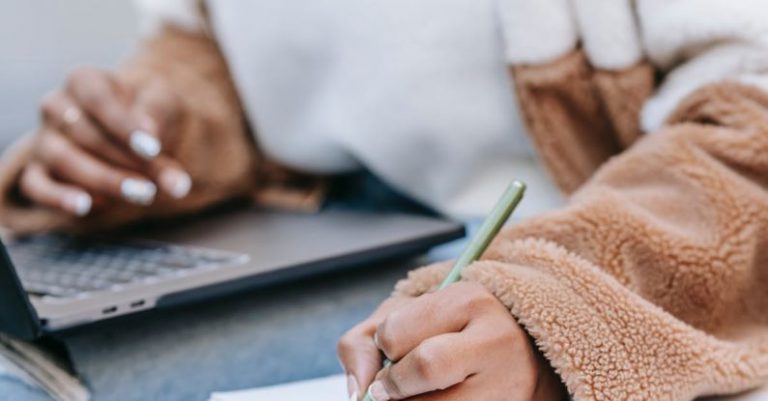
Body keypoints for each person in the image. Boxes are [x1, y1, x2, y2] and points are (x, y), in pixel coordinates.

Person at [2, 0, 768, 400]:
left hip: (556, 241)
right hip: (320, 223)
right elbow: (210, 48)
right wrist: (149, 130)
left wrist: (562, 306)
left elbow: (752, 119)